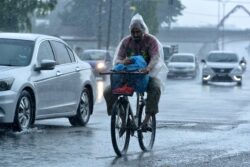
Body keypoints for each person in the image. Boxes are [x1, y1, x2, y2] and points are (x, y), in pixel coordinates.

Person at [103, 13, 168, 128]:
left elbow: (155, 58)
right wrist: (123, 62)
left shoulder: (151, 41)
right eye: (133, 32)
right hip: (128, 76)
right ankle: (124, 119)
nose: (135, 34)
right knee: (108, 92)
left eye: (138, 32)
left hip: (146, 75)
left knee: (155, 88)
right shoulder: (126, 42)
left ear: (143, 30)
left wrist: (147, 69)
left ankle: (146, 120)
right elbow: (118, 59)